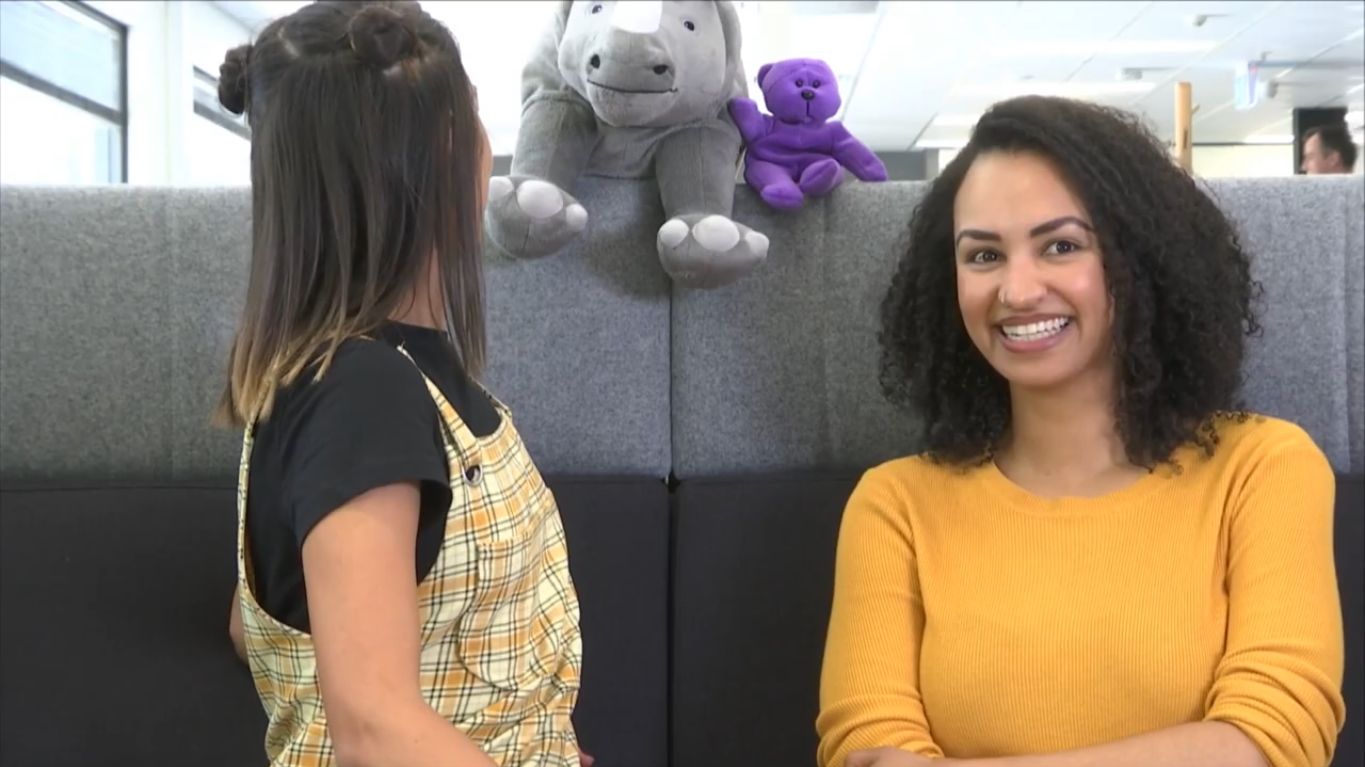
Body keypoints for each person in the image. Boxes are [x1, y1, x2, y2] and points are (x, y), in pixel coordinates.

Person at [817, 95, 1344, 767]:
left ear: (1139, 260)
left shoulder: (1263, 468)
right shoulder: (894, 505)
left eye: (1061, 246)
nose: (1017, 290)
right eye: (983, 255)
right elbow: (864, 750)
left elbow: (1274, 739)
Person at [216, 2, 587, 765]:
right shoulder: (362, 391)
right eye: (474, 114)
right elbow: (373, 728)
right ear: (444, 155)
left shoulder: (349, 373)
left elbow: (251, 623)